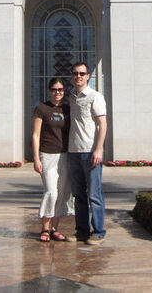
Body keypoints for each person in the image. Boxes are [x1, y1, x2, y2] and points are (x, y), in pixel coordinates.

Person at [68, 62, 107, 245]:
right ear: (72, 76)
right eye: (75, 73)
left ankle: (98, 231)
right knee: (79, 195)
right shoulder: (71, 98)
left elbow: (102, 124)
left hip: (90, 152)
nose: (79, 76)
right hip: (73, 152)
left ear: (88, 76)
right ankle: (81, 231)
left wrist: (99, 149)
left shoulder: (95, 96)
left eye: (82, 73)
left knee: (94, 194)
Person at [32, 77, 74, 242]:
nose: (58, 92)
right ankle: (45, 228)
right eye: (55, 89)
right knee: (51, 191)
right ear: (49, 91)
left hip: (65, 156)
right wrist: (36, 158)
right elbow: (35, 135)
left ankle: (55, 229)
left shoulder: (67, 109)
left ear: (64, 92)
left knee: (62, 193)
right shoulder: (42, 109)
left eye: (61, 90)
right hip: (47, 155)